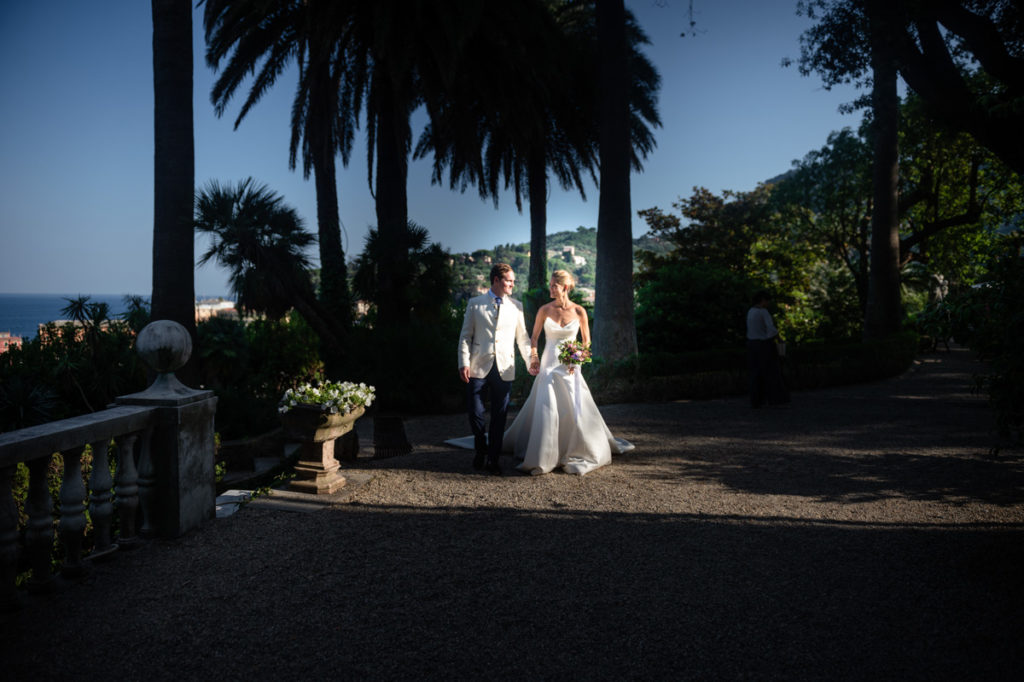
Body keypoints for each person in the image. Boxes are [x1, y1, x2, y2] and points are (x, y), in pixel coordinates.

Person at [502, 270, 633, 475]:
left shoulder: (579, 311)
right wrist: (534, 357)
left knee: (573, 404)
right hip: (549, 361)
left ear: (565, 287)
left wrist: (576, 359)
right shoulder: (544, 310)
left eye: (554, 285)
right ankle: (544, 453)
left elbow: (586, 342)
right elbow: (534, 339)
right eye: (551, 284)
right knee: (547, 405)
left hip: (571, 364)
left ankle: (574, 448)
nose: (551, 288)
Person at [457, 263, 537, 475]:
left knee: (500, 416)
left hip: (505, 367)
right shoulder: (475, 304)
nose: (512, 284)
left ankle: (493, 459)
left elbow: (523, 339)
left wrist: (531, 362)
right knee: (475, 412)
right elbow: (466, 337)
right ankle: (480, 443)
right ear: (496, 281)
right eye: (508, 280)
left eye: (512, 281)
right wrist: (463, 362)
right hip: (477, 366)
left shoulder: (517, 306)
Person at [746, 290, 789, 408]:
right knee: (771, 372)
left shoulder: (751, 311)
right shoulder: (763, 312)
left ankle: (756, 399)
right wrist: (779, 340)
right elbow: (771, 329)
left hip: (752, 344)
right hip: (764, 344)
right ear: (763, 300)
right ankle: (775, 398)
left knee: (755, 373)